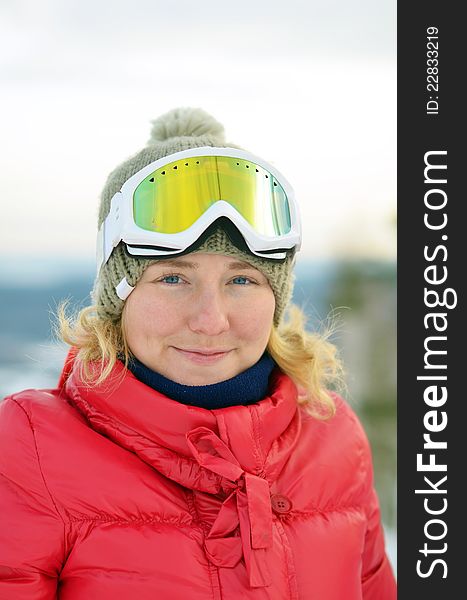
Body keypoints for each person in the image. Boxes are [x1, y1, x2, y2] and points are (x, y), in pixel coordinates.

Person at [0, 107, 396, 599]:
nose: (211, 320)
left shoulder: (333, 438)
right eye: (173, 278)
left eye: (241, 280)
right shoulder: (29, 447)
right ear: (119, 297)